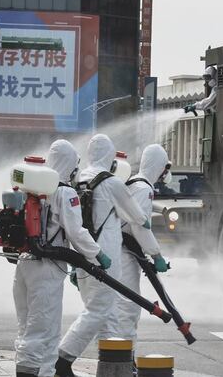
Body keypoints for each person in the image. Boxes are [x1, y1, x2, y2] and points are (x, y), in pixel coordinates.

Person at [56, 134, 149, 377]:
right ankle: (63, 360)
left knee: (104, 313)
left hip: (83, 255)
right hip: (106, 257)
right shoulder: (112, 183)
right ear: (110, 157)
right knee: (98, 311)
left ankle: (113, 366)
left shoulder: (78, 180)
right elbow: (137, 217)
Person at [13, 140, 108, 377]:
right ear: (71, 165)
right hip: (47, 267)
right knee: (45, 330)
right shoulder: (64, 191)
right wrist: (97, 254)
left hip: (24, 264)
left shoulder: (31, 187)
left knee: (26, 328)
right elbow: (76, 232)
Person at [111, 144, 171, 344]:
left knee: (115, 308)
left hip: (117, 249)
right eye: (164, 167)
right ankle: (126, 361)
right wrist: (157, 255)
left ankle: (116, 357)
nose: (165, 173)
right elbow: (139, 227)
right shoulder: (144, 189)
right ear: (159, 167)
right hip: (125, 254)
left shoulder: (132, 182)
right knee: (128, 308)